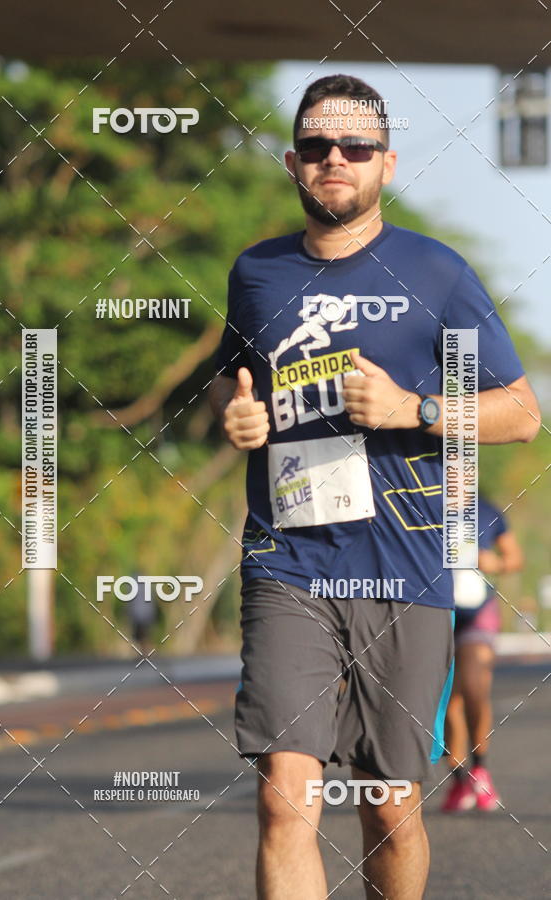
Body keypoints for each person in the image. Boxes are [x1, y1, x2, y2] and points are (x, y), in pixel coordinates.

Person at [209, 73, 540, 900]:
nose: (336, 158)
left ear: (386, 163)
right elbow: (228, 378)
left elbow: (521, 412)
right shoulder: (257, 273)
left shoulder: (436, 273)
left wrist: (414, 408)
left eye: (356, 146)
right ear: (293, 162)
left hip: (404, 568)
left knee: (388, 806)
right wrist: (233, 414)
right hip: (288, 563)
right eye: (317, 145)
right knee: (284, 800)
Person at [442, 496, 524, 812]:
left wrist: (496, 564)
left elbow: (514, 558)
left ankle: (480, 769)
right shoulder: (423, 501)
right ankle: (458, 778)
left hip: (478, 610)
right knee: (448, 698)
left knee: (474, 686)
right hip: (437, 610)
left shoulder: (487, 510)